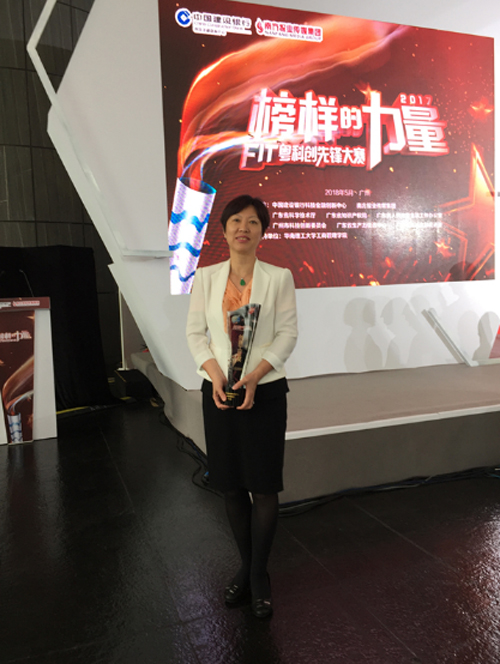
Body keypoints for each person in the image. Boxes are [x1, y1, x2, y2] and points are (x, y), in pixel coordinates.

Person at [186, 194, 298, 618]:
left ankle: (258, 575)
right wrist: (215, 374)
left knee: (264, 486)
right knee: (231, 485)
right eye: (235, 220)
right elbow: (195, 333)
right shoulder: (206, 277)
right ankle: (247, 566)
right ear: (224, 228)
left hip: (264, 391)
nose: (243, 228)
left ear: (262, 231)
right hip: (218, 391)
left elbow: (287, 334)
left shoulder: (279, 277)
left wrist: (255, 375)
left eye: (252, 222)